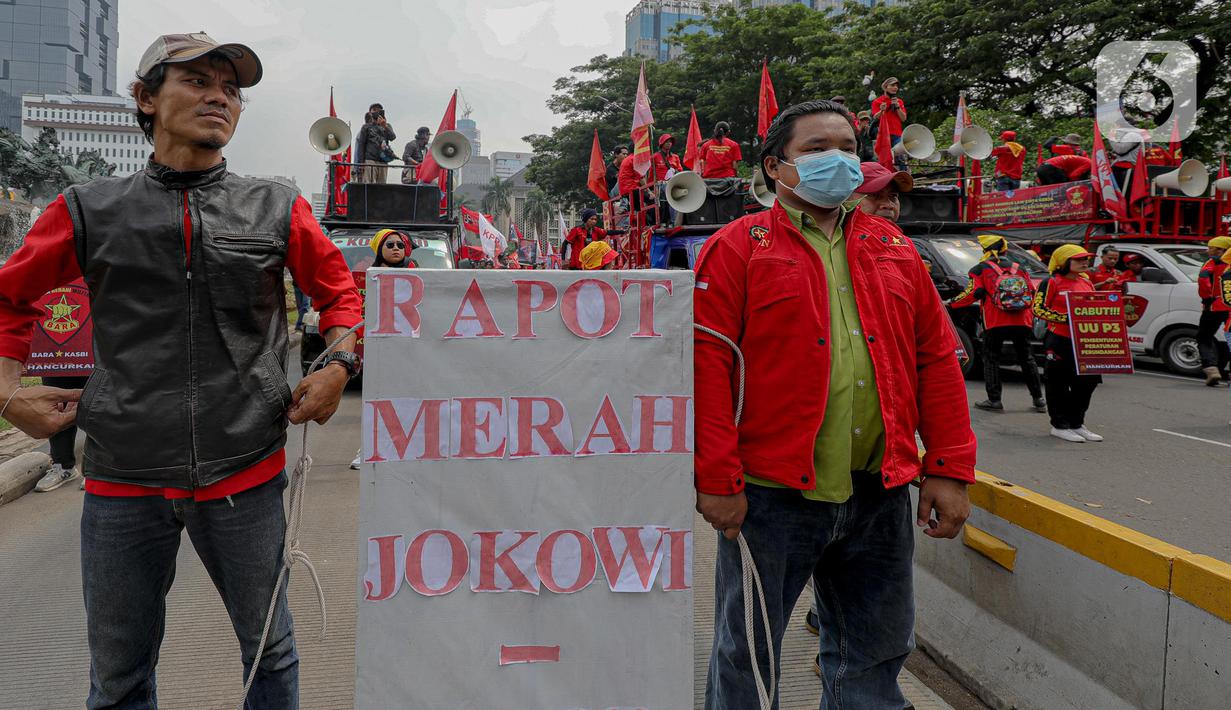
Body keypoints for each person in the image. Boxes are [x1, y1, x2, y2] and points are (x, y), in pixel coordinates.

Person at [0, 33, 363, 707]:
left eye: (230, 88)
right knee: (119, 675)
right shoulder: (89, 208)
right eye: (196, 81)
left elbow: (340, 294)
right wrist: (5, 391)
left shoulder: (276, 206)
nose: (218, 96)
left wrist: (338, 362)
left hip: (246, 467)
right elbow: (9, 297)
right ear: (145, 98)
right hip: (122, 475)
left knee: (270, 652)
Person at [694, 99, 975, 709]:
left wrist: (950, 468)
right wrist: (716, 479)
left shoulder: (894, 248)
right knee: (747, 656)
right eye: (818, 149)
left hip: (880, 492)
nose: (839, 160)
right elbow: (708, 369)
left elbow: (934, 360)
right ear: (776, 167)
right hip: (770, 500)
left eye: (848, 147)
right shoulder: (737, 247)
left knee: (872, 656)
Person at [949, 235, 1046, 413]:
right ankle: (1038, 399)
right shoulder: (1019, 267)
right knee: (1027, 359)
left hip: (995, 321)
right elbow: (1032, 291)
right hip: (1022, 321)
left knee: (991, 359)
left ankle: (994, 400)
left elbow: (974, 293)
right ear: (1005, 250)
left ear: (985, 250)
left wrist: (951, 303)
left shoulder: (980, 269)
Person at [1032, 245, 1103, 443]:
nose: (1084, 262)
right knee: (1059, 383)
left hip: (1086, 340)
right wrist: (1066, 318)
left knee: (1088, 382)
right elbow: (1038, 309)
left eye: (1086, 259)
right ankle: (1059, 425)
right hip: (1060, 339)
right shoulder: (1051, 282)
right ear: (1064, 262)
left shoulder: (1086, 282)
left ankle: (1076, 423)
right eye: (1079, 259)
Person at [32, 374, 89, 491]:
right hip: (54, 360)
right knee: (57, 404)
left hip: (94, 359)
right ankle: (63, 467)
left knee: (95, 402)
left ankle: (96, 468)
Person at [1197, 237, 1231, 385]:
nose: (1208, 250)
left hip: (1215, 305)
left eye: (1211, 247)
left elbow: (1203, 280)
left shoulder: (1212, 263)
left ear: (1220, 250)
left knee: (1204, 336)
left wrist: (1206, 299)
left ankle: (1211, 369)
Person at [871, 77, 908, 169]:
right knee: (885, 159)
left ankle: (903, 177)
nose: (895, 87)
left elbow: (903, 118)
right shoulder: (877, 101)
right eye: (892, 85)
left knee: (900, 159)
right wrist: (881, 110)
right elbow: (875, 117)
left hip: (897, 134)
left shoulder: (899, 101)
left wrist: (898, 107)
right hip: (884, 135)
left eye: (896, 86)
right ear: (885, 87)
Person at [354, 102, 396, 183]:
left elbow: (393, 137)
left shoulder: (387, 125)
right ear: (370, 113)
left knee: (381, 186)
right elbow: (361, 145)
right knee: (369, 185)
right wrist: (361, 163)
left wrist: (385, 126)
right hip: (370, 160)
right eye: (374, 110)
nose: (377, 111)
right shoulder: (366, 127)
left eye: (379, 110)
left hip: (383, 160)